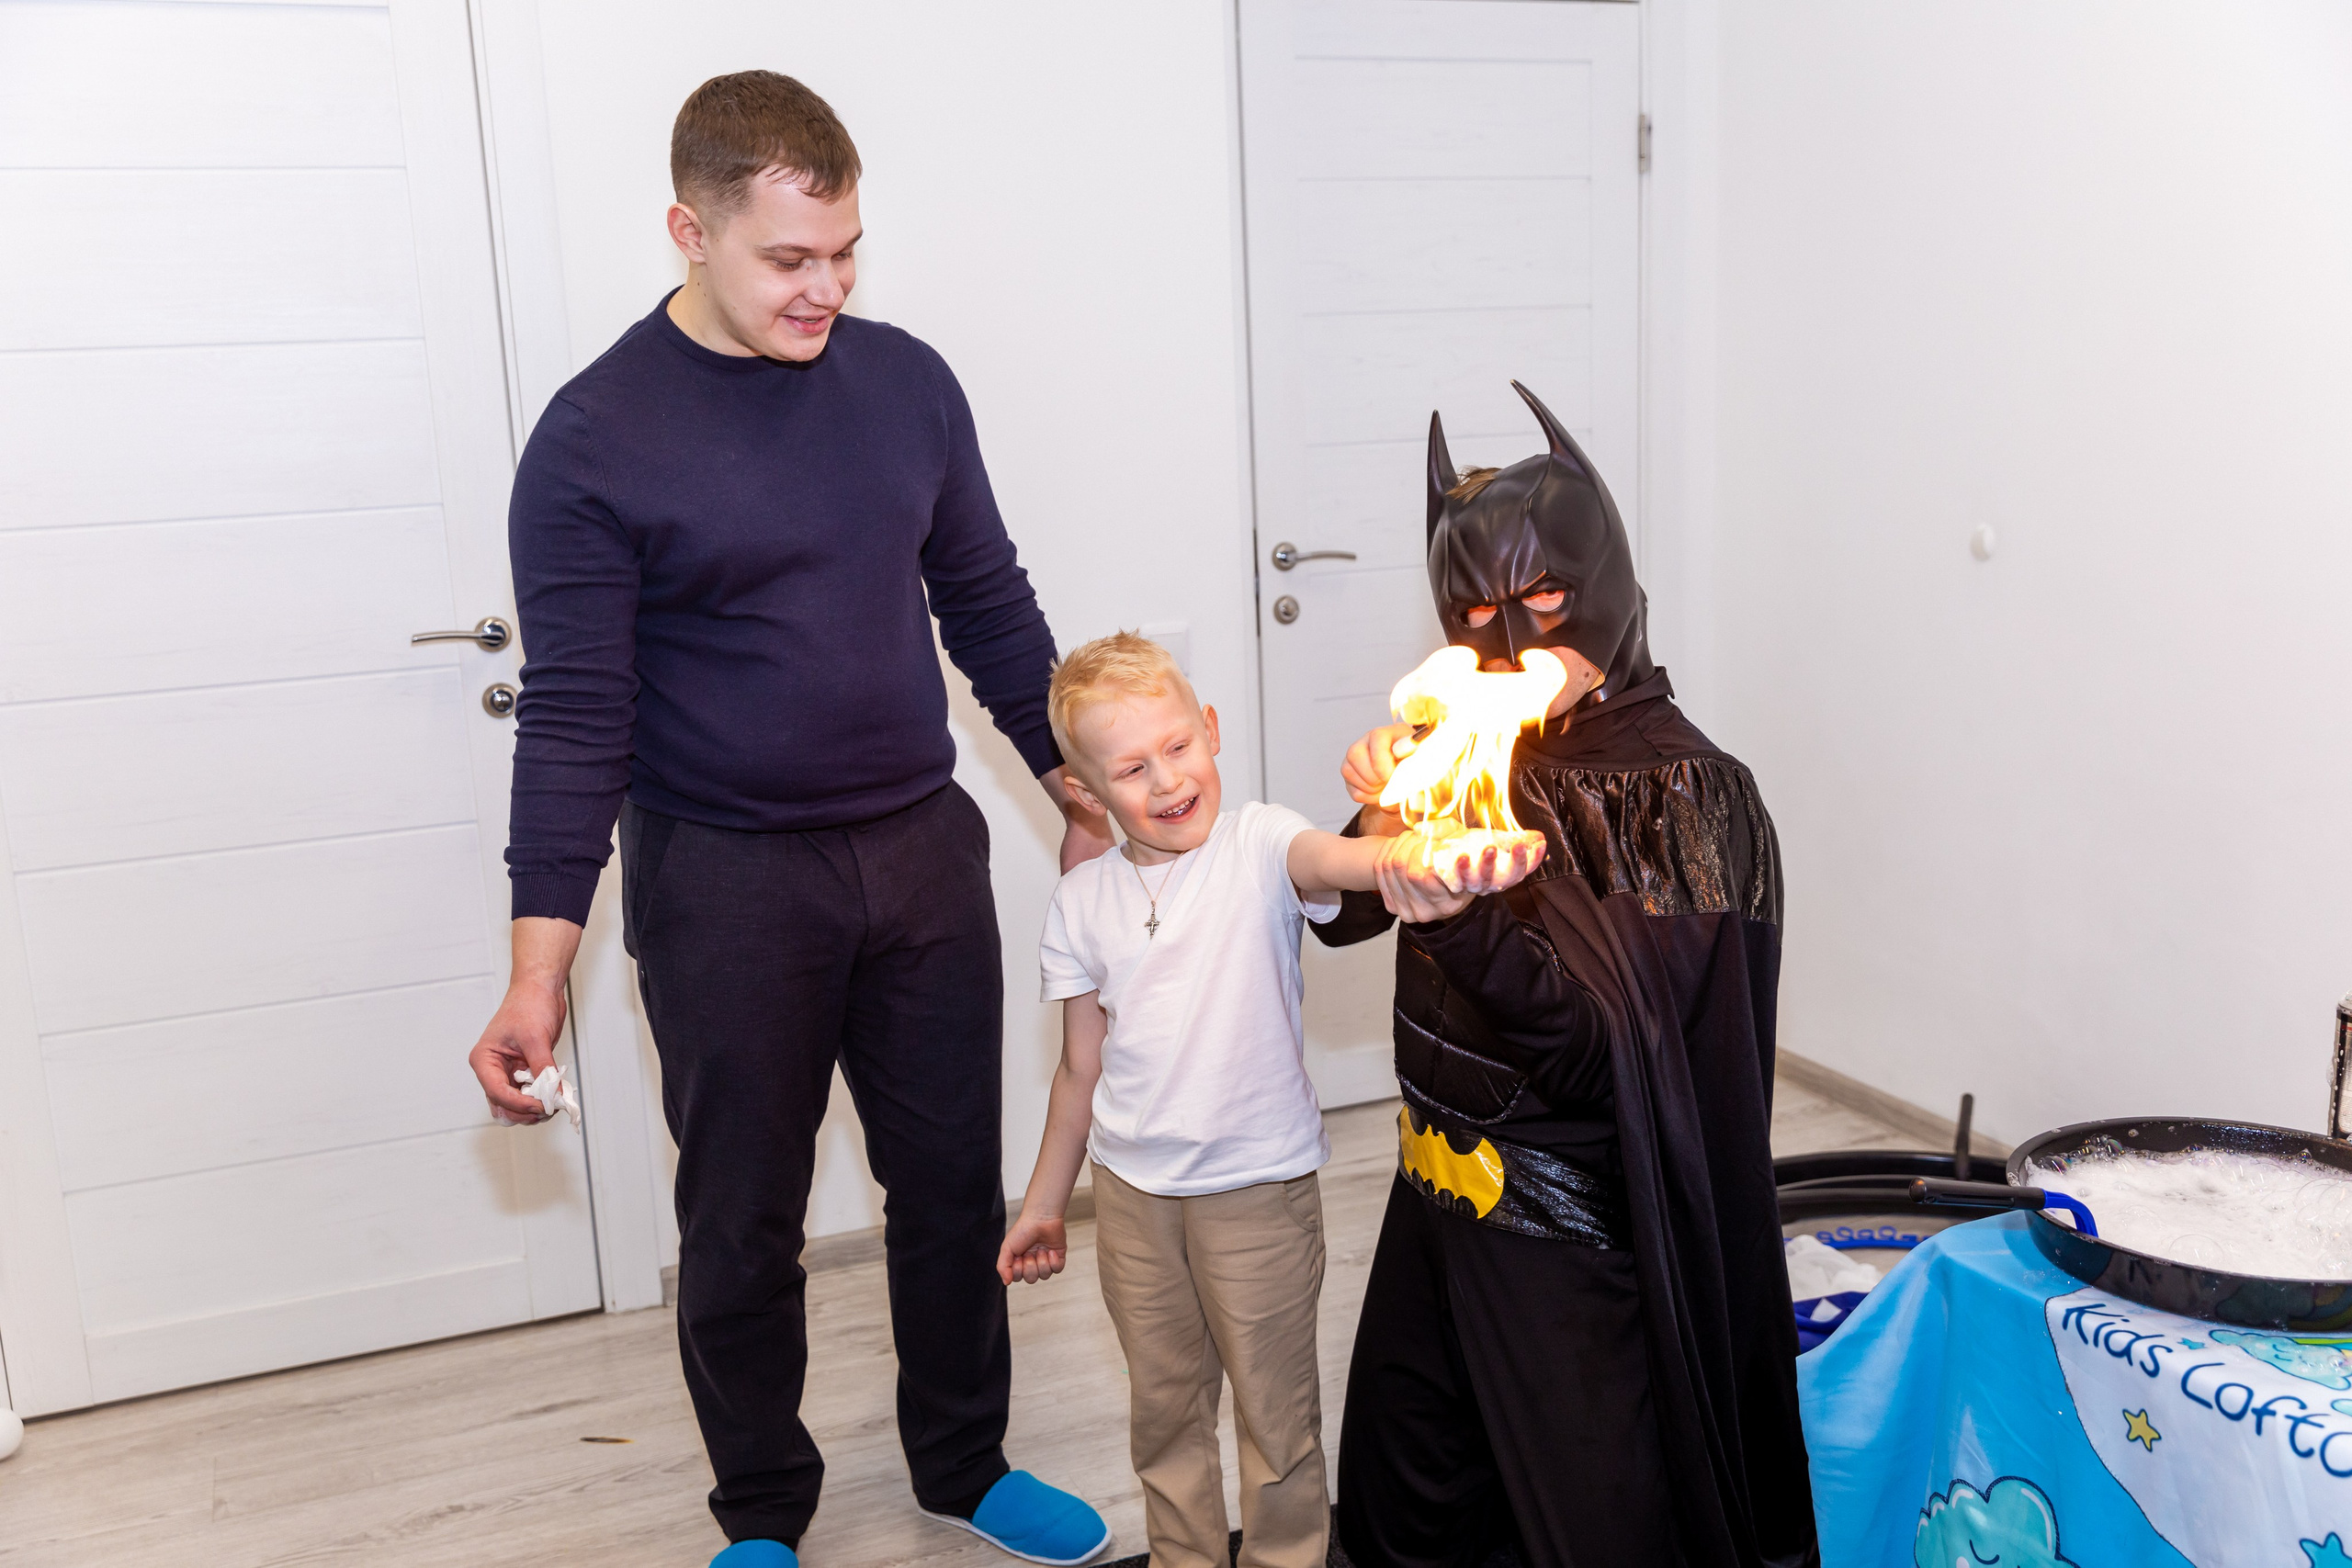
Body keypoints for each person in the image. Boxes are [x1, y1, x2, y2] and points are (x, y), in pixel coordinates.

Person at [465, 71, 1116, 1568]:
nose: (826, 289)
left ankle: (964, 1459)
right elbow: (575, 717)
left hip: (922, 852)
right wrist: (537, 968)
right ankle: (763, 1510)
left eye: (846, 254)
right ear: (690, 230)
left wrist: (1082, 789)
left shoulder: (907, 384)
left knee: (949, 1181)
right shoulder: (592, 441)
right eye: (789, 259)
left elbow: (993, 612)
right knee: (744, 1219)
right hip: (724, 881)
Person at [1317, 384, 1818, 1568]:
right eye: (1473, 612)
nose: (1508, 643)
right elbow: (1339, 911)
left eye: (1543, 600)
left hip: (1572, 1252)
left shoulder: (1687, 796)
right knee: (1403, 1514)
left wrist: (1459, 923)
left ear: (1606, 587)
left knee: (1593, 1529)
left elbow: (1606, 1058)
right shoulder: (1478, 745)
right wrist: (1392, 800)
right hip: (1431, 1206)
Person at [996, 634, 1544, 1568]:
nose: (1167, 779)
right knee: (1164, 1413)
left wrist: (1412, 860)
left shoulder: (1256, 843)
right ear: (1087, 793)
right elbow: (1078, 1072)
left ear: (1210, 732)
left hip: (1258, 1196)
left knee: (1274, 1415)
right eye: (1131, 768)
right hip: (1132, 1203)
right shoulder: (1080, 903)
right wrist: (1044, 1202)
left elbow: (1341, 862)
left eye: (1177, 746)